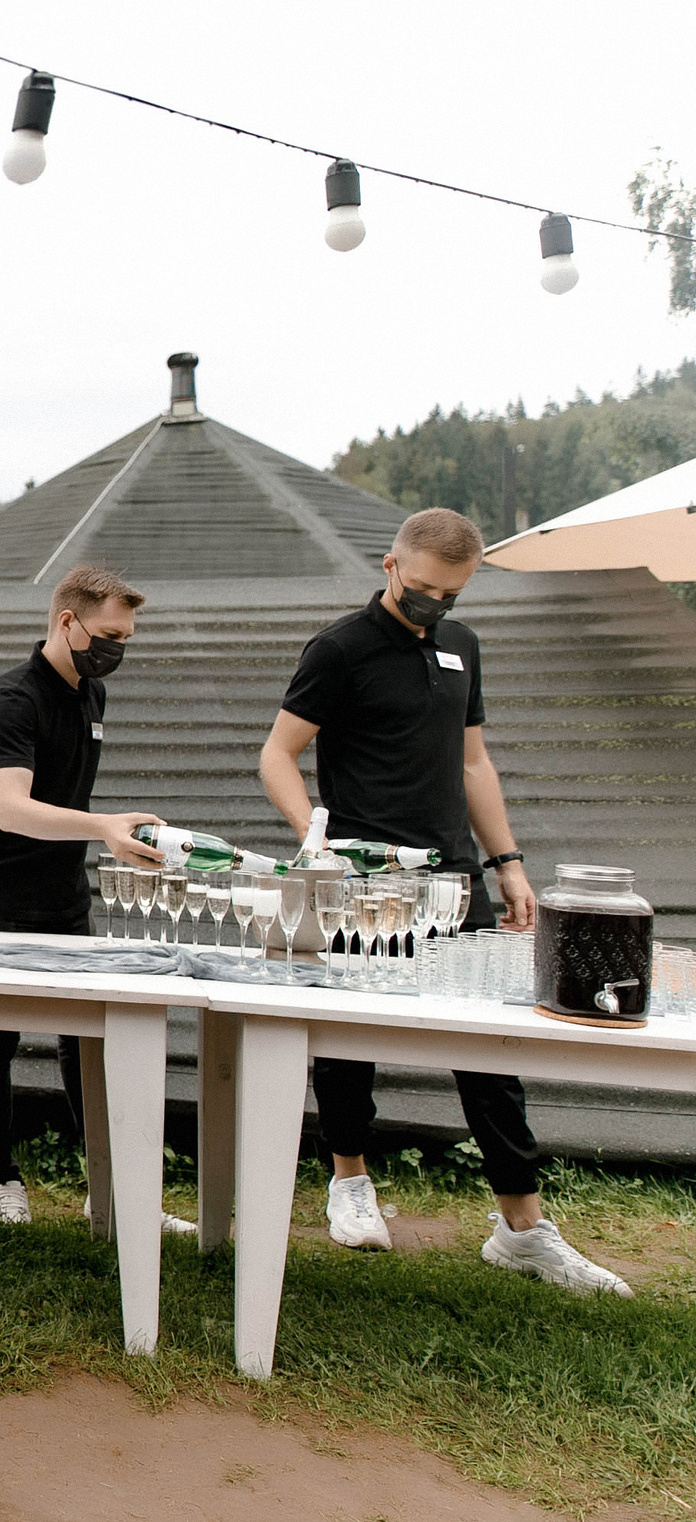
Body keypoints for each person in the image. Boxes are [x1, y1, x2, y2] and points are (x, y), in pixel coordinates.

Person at [260, 506, 629, 1294]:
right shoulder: (341, 648)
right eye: (423, 590)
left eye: (451, 595)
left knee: (489, 1045)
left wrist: (510, 864)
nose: (434, 607)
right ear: (389, 564)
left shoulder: (462, 647)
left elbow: (474, 766)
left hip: (455, 879)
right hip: (364, 882)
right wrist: (313, 836)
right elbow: (278, 754)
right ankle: (349, 1181)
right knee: (348, 1036)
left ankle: (521, 1226)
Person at [0, 565, 192, 1233]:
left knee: (85, 1040)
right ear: (66, 622)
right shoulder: (12, 698)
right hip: (1, 895)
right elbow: (18, 808)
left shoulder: (92, 695)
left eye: (127, 637)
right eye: (109, 634)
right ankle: (2, 1180)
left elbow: (35, 791)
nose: (117, 649)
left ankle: (104, 1188)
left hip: (64, 891)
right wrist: (104, 826)